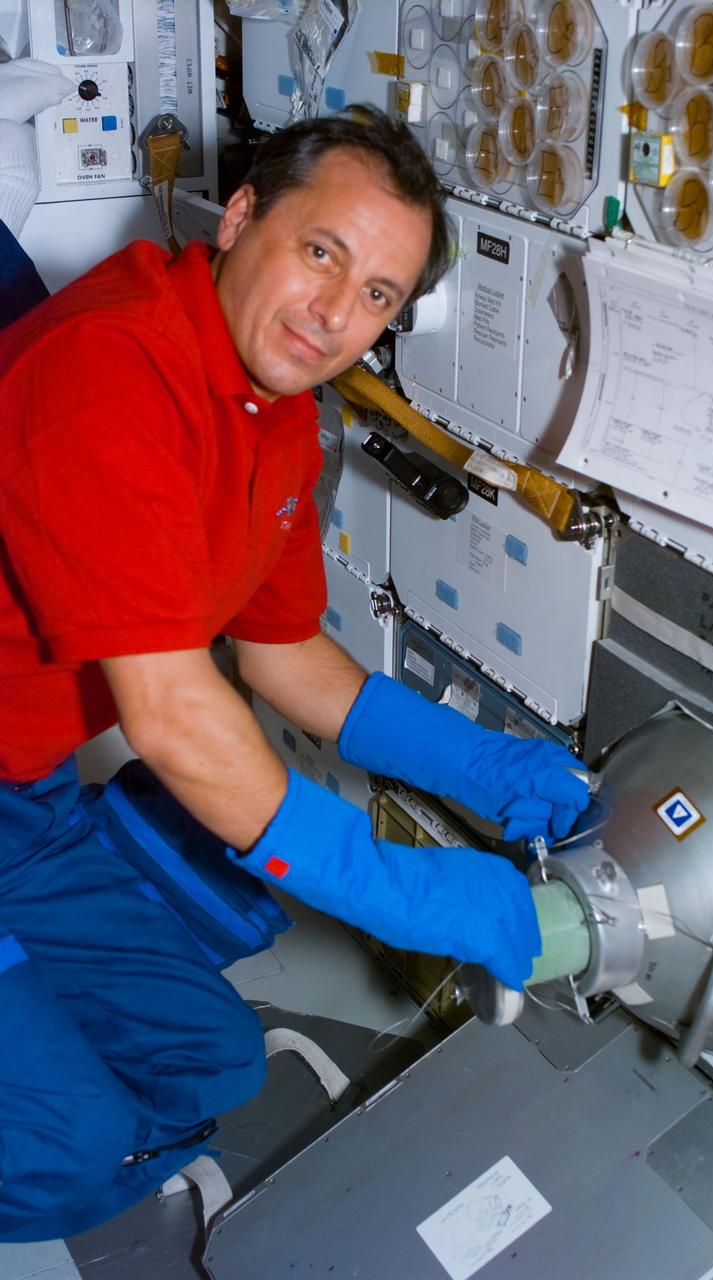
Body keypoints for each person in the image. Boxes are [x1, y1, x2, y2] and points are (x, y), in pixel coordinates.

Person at [0, 105, 591, 1242]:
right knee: (66, 1148)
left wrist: (483, 761)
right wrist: (401, 891)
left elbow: (279, 653)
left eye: (376, 293)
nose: (335, 316)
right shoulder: (110, 371)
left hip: (22, 799)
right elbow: (173, 715)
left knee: (207, 1066)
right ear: (239, 218)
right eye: (323, 252)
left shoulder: (274, 411)